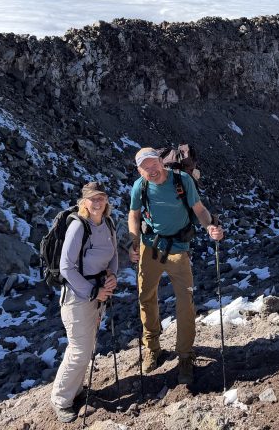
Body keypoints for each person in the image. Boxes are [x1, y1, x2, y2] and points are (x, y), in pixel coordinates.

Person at [128, 147, 224, 385]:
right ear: (139, 169)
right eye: (144, 167)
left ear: (161, 162)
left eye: (153, 164)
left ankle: (184, 355)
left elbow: (198, 209)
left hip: (178, 248)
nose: (150, 170)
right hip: (149, 246)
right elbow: (134, 215)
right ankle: (153, 347)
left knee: (185, 302)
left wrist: (210, 226)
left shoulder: (182, 181)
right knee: (145, 296)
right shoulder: (139, 186)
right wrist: (133, 242)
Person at [50, 182, 119, 423]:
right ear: (84, 202)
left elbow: (113, 256)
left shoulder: (108, 223)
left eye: (101, 197)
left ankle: (75, 390)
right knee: (79, 350)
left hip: (97, 294)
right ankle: (61, 399)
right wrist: (93, 292)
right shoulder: (79, 226)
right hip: (77, 298)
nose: (97, 203)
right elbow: (66, 267)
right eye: (92, 199)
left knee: (88, 347)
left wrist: (111, 278)